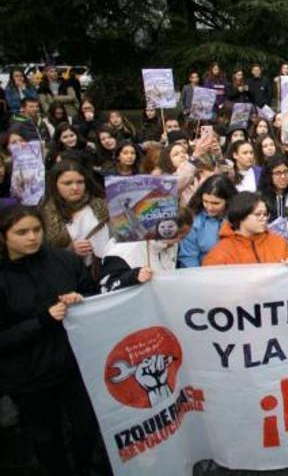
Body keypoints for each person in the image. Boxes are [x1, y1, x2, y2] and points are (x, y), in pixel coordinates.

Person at [0, 205, 111, 476]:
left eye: (37, 230)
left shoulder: (64, 261)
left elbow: (92, 295)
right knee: (47, 438)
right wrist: (42, 320)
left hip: (72, 365)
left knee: (85, 427)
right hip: (29, 377)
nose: (32, 237)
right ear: (4, 236)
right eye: (22, 232)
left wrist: (79, 300)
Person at [99, 209, 193, 293]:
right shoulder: (122, 250)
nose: (180, 241)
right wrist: (134, 276)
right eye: (181, 237)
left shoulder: (172, 245)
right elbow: (106, 289)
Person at [41, 160, 111, 273]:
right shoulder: (45, 214)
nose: (75, 187)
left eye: (80, 182)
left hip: (104, 269)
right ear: (54, 185)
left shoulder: (102, 206)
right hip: (67, 273)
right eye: (67, 183)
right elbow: (42, 252)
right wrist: (69, 250)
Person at [202, 192, 288, 265]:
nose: (264, 218)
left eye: (265, 214)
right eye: (258, 214)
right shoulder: (220, 252)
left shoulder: (279, 243)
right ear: (241, 215)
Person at [178, 174, 237, 267]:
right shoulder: (194, 221)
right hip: (204, 274)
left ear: (228, 201)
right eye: (205, 201)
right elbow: (188, 257)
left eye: (215, 203)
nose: (209, 207)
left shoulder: (238, 218)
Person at [258, 156, 288, 221]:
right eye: (278, 173)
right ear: (268, 175)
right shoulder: (259, 197)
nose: (283, 176)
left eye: (286, 172)